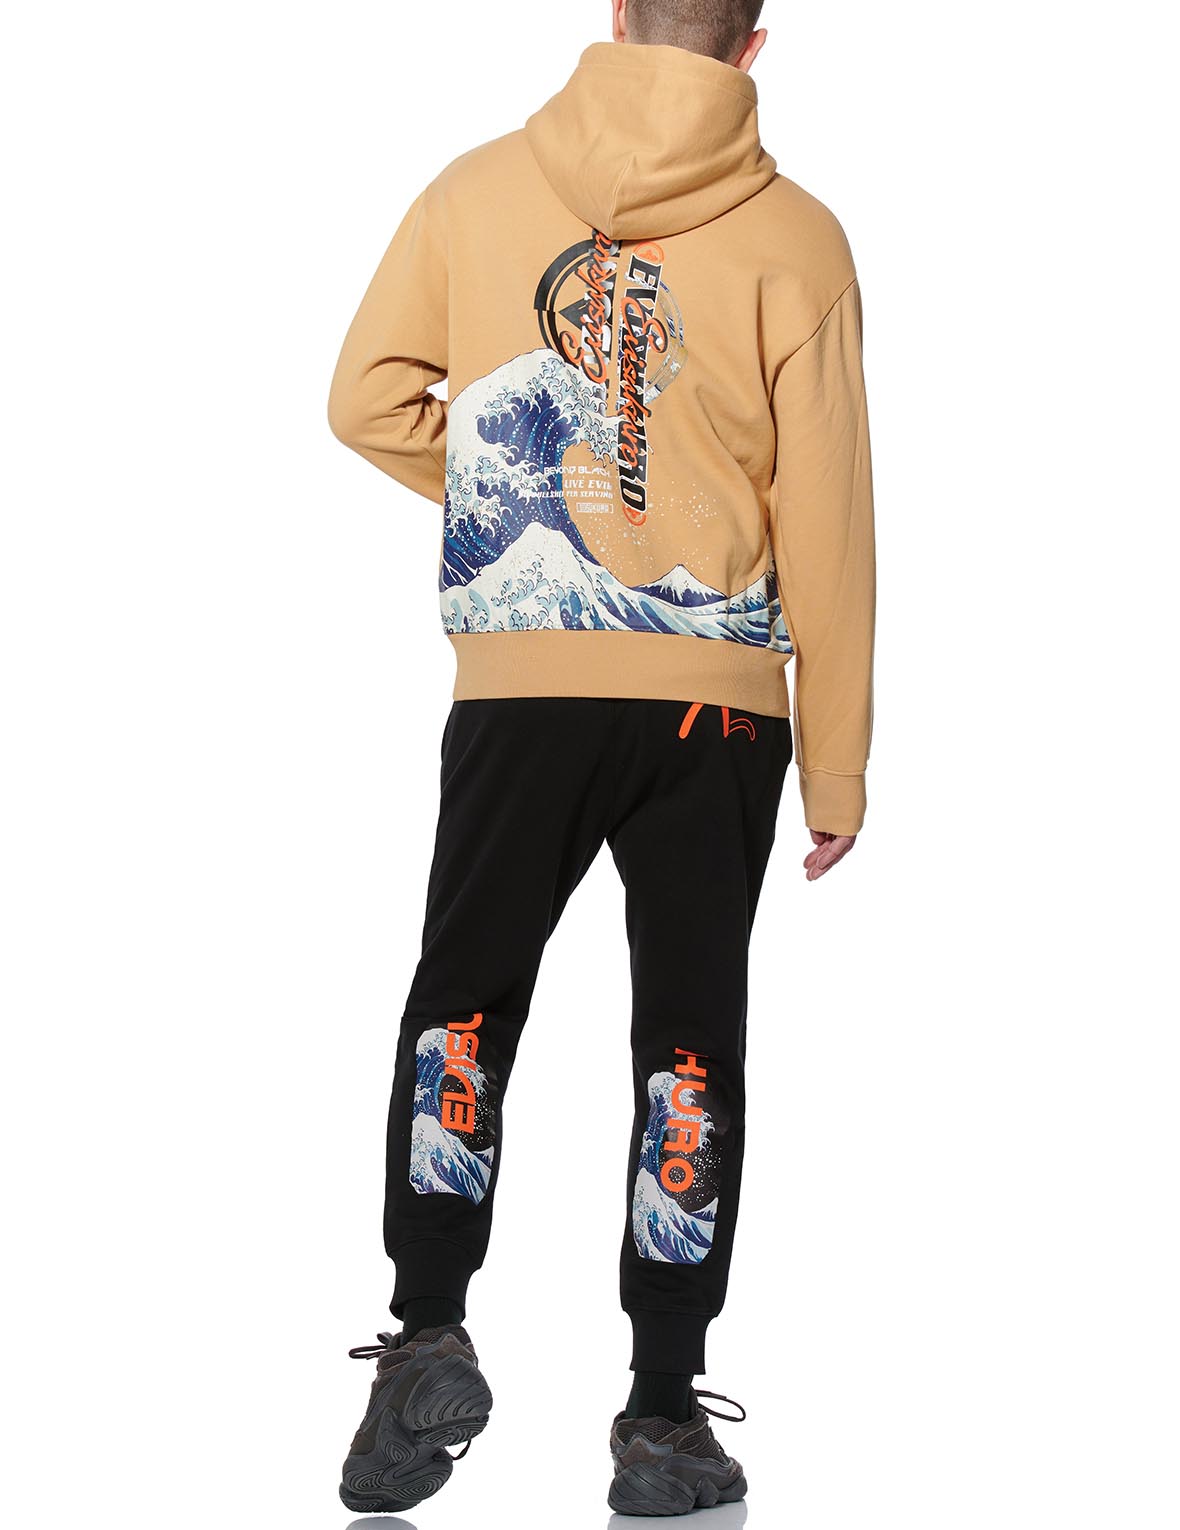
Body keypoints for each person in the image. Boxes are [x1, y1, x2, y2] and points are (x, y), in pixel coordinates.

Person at [326, 0, 875, 1515]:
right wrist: (836, 760)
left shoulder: (476, 191)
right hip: (719, 709)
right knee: (688, 1041)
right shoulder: (801, 240)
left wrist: (511, 487)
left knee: (465, 999)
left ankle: (425, 1332)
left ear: (616, 17)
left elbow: (363, 399)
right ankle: (662, 1417)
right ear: (754, 48)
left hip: (526, 683)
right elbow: (829, 509)